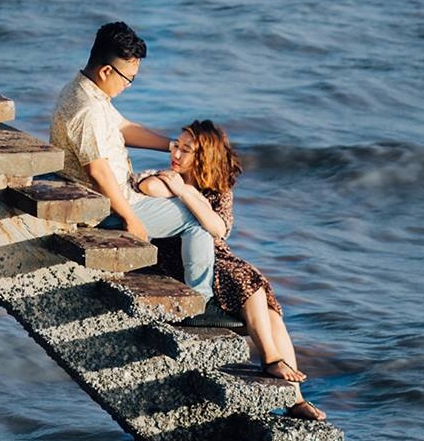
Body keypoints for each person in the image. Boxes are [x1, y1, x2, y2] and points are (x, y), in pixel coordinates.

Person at [137, 120, 327, 422]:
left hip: (217, 257)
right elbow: (147, 187)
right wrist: (180, 187)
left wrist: (186, 192)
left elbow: (219, 229)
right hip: (177, 261)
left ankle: (296, 398)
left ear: (204, 157)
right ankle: (271, 360)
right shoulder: (168, 177)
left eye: (187, 150)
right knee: (247, 281)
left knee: (270, 310)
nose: (176, 154)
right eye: (177, 146)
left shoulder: (218, 189)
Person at [50, 22, 214, 302]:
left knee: (177, 200)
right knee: (195, 220)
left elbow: (123, 128)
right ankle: (200, 300)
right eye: (128, 78)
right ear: (106, 71)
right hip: (101, 211)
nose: (128, 85)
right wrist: (131, 219)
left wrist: (171, 145)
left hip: (108, 198)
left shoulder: (86, 91)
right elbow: (98, 172)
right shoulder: (87, 110)